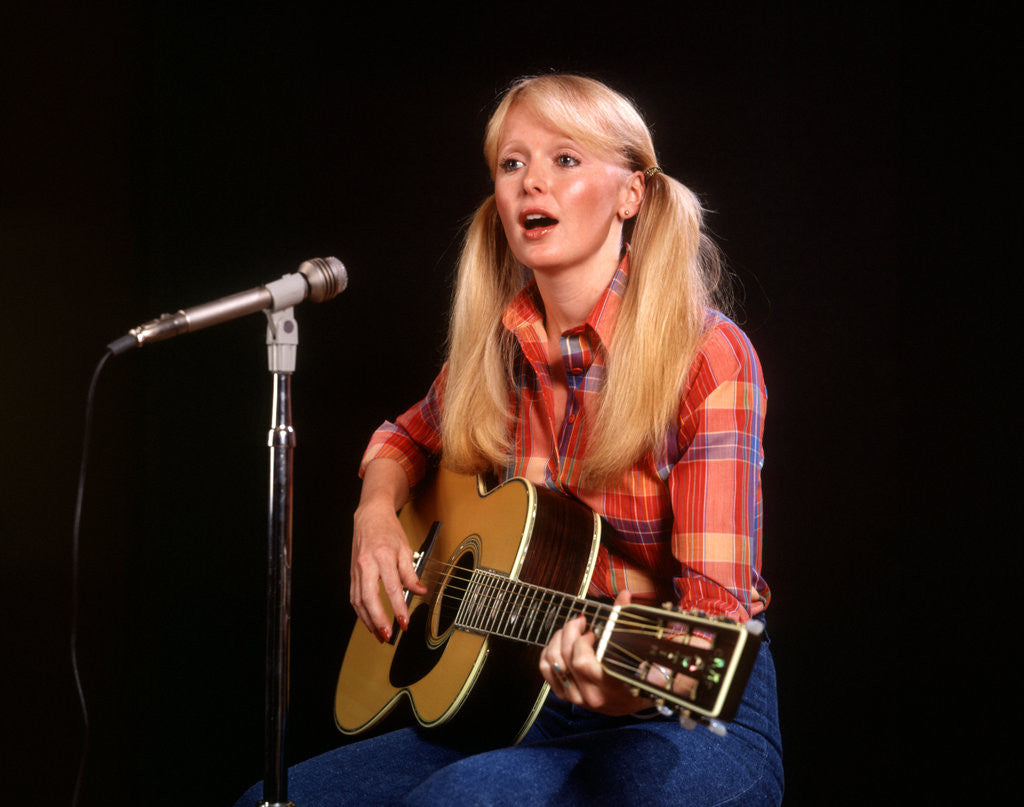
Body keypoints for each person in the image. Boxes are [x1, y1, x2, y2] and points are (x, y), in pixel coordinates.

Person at [235, 73, 783, 806]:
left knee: (462, 799)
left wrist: (618, 684)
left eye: (566, 159)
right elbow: (402, 438)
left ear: (632, 194)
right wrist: (374, 517)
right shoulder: (498, 348)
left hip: (684, 717)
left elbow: (713, 628)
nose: (532, 183)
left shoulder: (707, 356)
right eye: (512, 163)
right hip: (523, 700)